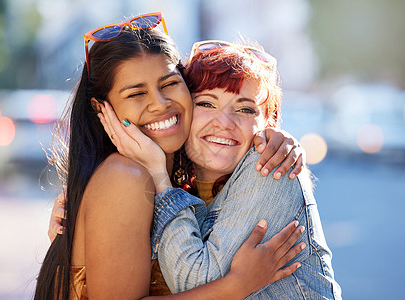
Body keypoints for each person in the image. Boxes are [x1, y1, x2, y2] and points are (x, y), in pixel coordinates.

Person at [37, 13, 307, 299]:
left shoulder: (178, 176)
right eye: (136, 94)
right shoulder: (125, 177)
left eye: (168, 84)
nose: (160, 104)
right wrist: (237, 286)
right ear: (101, 109)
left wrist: (277, 138)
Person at [99, 39, 342, 299]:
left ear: (268, 125)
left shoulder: (271, 169)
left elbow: (193, 283)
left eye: (245, 109)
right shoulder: (174, 182)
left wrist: (158, 176)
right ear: (184, 110)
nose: (224, 122)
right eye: (206, 103)